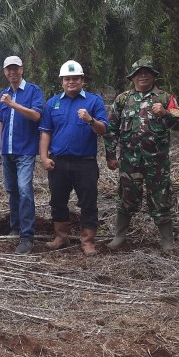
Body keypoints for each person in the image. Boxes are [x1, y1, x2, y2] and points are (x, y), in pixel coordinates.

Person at [104, 58, 179, 251]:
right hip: (129, 161)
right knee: (125, 198)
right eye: (139, 73)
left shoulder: (165, 98)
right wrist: (110, 155)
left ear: (153, 76)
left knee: (161, 199)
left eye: (147, 72)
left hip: (157, 162)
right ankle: (119, 236)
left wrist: (165, 113)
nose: (143, 75)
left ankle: (167, 241)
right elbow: (111, 128)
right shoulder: (122, 99)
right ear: (132, 77)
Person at [39, 60, 108, 254]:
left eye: (75, 78)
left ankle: (87, 241)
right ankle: (61, 237)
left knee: (88, 201)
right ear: (62, 81)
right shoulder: (53, 103)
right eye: (67, 78)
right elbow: (46, 132)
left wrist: (90, 120)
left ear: (82, 80)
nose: (71, 82)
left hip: (85, 162)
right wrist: (44, 157)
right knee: (58, 200)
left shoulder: (94, 101)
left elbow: (102, 130)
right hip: (58, 162)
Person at [0, 56, 44, 255]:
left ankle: (27, 236)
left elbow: (36, 116)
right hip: (8, 151)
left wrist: (13, 104)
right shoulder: (3, 94)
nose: (12, 72)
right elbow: (1, 123)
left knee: (25, 190)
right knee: (12, 190)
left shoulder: (33, 91)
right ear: (5, 72)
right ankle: (15, 227)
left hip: (25, 150)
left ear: (22, 70)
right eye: (9, 69)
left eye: (15, 69)